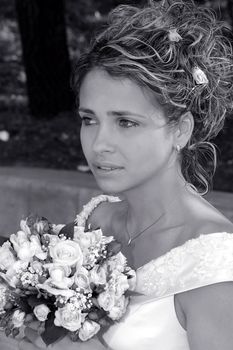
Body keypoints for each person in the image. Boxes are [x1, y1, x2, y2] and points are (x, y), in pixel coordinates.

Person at [17, 0, 233, 349]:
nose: (100, 143)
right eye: (89, 119)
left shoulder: (216, 268)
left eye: (126, 122)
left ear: (181, 130)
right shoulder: (96, 224)